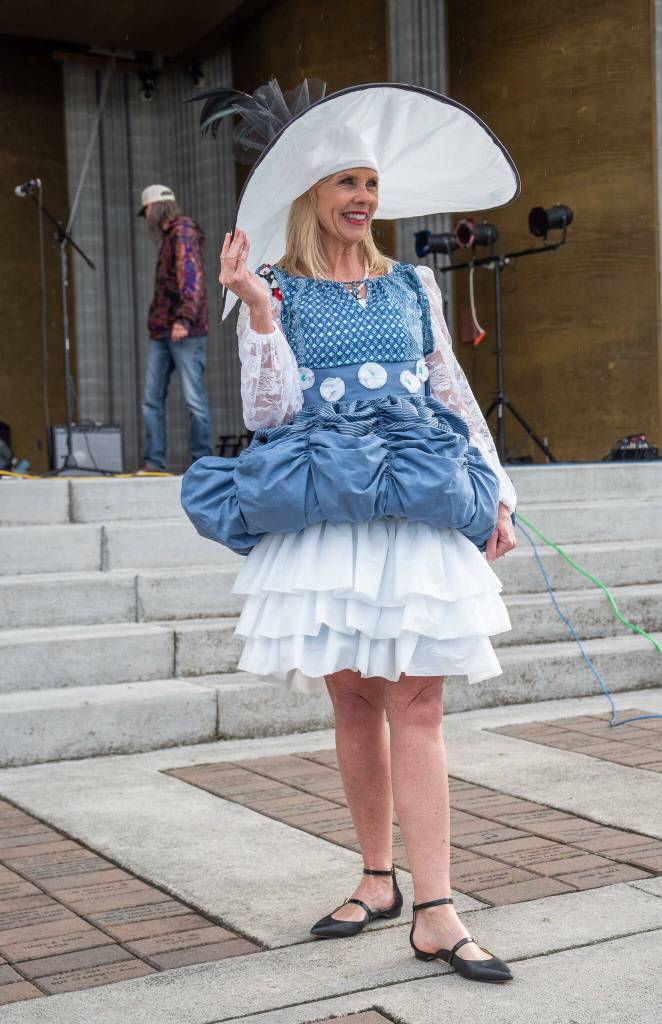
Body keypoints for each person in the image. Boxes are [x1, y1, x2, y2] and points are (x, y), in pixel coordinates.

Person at [182, 81, 519, 984]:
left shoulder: (414, 283)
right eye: (343, 181)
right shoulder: (281, 288)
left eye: (370, 181)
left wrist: (500, 494)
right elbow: (269, 410)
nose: (361, 197)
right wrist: (256, 307)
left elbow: (452, 394)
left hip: (414, 501)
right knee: (353, 701)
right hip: (325, 505)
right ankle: (378, 879)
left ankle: (439, 908)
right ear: (310, 193)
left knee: (419, 702)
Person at [138, 184, 212, 472]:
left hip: (183, 330)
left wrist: (184, 318)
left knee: (193, 399)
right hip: (162, 331)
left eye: (146, 210)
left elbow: (191, 276)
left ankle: (201, 463)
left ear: (155, 208)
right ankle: (154, 461)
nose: (145, 217)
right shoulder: (172, 236)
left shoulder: (182, 232)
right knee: (151, 399)